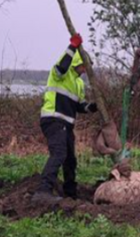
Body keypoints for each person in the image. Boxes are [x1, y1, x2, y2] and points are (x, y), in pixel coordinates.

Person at [32, 33, 98, 203]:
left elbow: (79, 106)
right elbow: (62, 66)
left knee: (70, 160)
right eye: (84, 66)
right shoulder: (60, 73)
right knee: (59, 153)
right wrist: (73, 47)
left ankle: (70, 193)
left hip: (67, 125)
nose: (85, 70)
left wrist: (92, 107)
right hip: (53, 120)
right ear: (77, 62)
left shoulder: (79, 84)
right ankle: (43, 190)